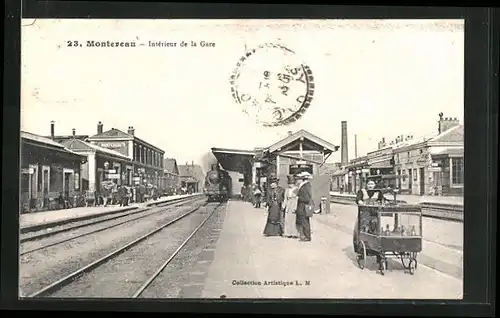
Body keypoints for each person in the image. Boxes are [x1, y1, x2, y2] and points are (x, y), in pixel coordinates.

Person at [355, 180, 386, 270]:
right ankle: (361, 249)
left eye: (372, 184)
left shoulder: (378, 192)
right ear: (366, 185)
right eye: (369, 184)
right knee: (364, 230)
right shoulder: (362, 191)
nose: (370, 186)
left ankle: (378, 253)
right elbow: (358, 199)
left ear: (375, 185)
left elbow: (383, 200)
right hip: (364, 215)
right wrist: (360, 202)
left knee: (376, 231)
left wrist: (383, 202)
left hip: (375, 215)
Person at [295, 171, 314, 242]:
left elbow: (306, 198)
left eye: (299, 179)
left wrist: (298, 197)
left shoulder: (305, 186)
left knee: (305, 222)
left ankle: (307, 237)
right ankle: (306, 236)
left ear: (303, 179)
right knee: (305, 222)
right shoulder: (306, 186)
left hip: (303, 207)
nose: (298, 180)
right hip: (303, 207)